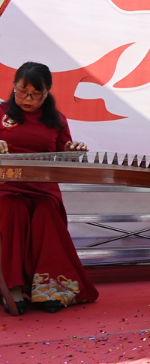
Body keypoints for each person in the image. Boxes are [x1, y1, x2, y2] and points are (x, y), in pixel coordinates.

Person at [0, 62, 98, 314]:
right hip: (6, 186)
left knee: (45, 212)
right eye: (22, 91)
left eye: (36, 94)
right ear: (13, 88)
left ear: (47, 93)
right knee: (13, 208)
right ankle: (11, 286)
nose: (27, 99)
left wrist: (72, 151)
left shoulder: (56, 120)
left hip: (42, 188)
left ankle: (49, 288)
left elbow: (64, 155)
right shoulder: (0, 112)